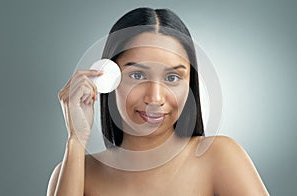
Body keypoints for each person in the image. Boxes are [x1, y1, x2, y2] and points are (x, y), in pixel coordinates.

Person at [47, 7, 269, 195]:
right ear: (108, 78)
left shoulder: (219, 157)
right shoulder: (75, 173)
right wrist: (76, 141)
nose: (155, 98)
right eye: (137, 76)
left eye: (172, 78)